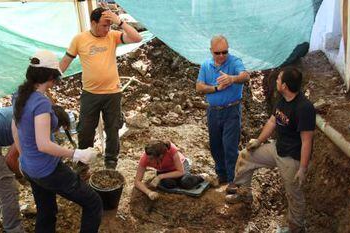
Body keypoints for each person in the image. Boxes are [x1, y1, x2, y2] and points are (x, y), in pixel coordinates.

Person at [12, 50, 103, 233]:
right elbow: (44, 144)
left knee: (46, 210)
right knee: (93, 202)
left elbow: (15, 127)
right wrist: (77, 153)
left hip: (30, 168)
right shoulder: (41, 104)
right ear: (51, 76)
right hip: (47, 170)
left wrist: (23, 157)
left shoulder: (19, 94)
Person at [226, 67, 315, 233]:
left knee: (293, 194)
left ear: (285, 85)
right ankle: (245, 193)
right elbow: (272, 121)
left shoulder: (304, 108)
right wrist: (259, 141)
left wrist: (302, 168)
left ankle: (296, 227)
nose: (276, 81)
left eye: (279, 79)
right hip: (277, 148)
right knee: (246, 156)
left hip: (292, 157)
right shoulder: (282, 99)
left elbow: (306, 140)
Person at [59, 7, 142, 172]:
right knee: (85, 129)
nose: (107, 29)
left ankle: (111, 163)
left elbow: (137, 37)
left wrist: (119, 21)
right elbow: (66, 61)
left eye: (110, 25)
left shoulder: (112, 36)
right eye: (104, 25)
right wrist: (50, 79)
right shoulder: (79, 39)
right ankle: (83, 163)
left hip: (113, 93)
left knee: (112, 129)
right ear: (93, 23)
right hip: (90, 94)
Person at [196, 35, 250, 193]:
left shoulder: (234, 62)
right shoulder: (206, 65)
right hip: (213, 111)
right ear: (211, 51)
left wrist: (232, 79)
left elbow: (245, 76)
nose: (221, 56)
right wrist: (215, 88)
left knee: (230, 146)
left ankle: (234, 180)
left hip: (231, 110)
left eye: (224, 52)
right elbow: (199, 87)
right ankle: (222, 175)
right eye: (217, 53)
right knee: (215, 145)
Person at [134, 140, 204, 200]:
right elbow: (137, 181)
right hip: (164, 170)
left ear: (160, 156)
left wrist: (160, 177)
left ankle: (201, 177)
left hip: (181, 166)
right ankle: (178, 182)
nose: (148, 160)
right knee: (168, 184)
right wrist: (148, 192)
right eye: (147, 157)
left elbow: (180, 172)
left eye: (151, 159)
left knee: (186, 182)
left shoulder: (172, 150)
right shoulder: (145, 158)